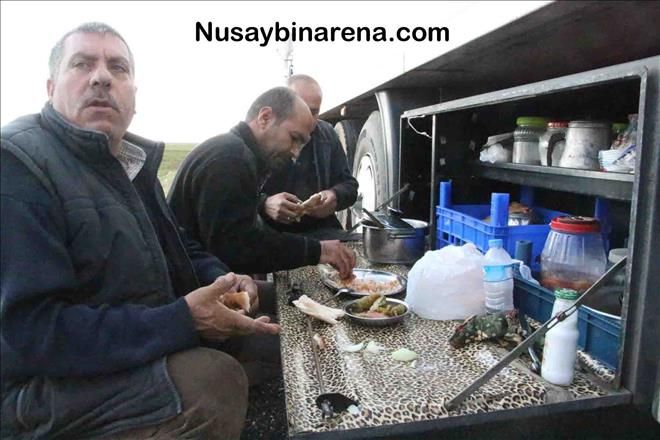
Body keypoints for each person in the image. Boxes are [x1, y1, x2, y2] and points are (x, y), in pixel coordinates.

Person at [0, 22, 279, 440]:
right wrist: (182, 321)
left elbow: (177, 245)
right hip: (36, 386)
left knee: (273, 338)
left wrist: (222, 279)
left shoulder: (128, 164)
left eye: (118, 68)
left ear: (134, 96)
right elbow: (36, 334)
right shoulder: (19, 164)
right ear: (51, 87)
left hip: (130, 341)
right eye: (82, 64)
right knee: (213, 383)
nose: (101, 77)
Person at [168, 87, 356, 277]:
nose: (295, 152)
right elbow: (238, 248)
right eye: (294, 138)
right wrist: (318, 251)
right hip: (190, 281)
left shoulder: (237, 152)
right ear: (265, 118)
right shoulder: (230, 160)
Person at [260, 74, 358, 239]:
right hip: (269, 233)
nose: (307, 118)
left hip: (319, 231)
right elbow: (236, 199)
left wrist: (334, 196)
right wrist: (265, 204)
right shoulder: (263, 138)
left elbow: (349, 186)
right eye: (301, 110)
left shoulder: (327, 135)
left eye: (313, 112)